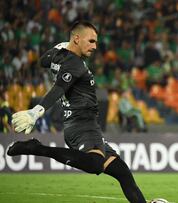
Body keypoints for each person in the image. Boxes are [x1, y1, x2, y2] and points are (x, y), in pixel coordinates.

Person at [8, 21, 146, 203]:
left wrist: (61, 46)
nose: (95, 46)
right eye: (91, 41)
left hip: (83, 125)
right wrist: (35, 112)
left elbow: (43, 61)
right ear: (76, 38)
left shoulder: (60, 55)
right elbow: (59, 88)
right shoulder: (75, 64)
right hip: (83, 124)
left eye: (95, 42)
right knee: (95, 164)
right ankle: (37, 148)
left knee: (121, 171)